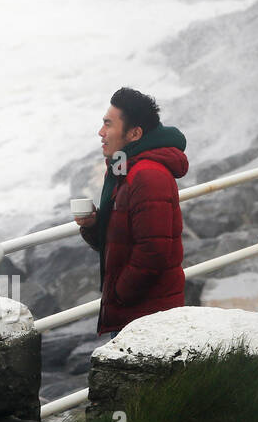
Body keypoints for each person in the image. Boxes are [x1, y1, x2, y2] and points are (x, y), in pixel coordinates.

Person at [75, 88, 188, 338]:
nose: (101, 132)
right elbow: (119, 241)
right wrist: (95, 225)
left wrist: (119, 293)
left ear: (135, 133)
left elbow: (153, 253)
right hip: (135, 313)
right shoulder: (123, 169)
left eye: (108, 124)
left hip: (148, 317)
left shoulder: (147, 176)